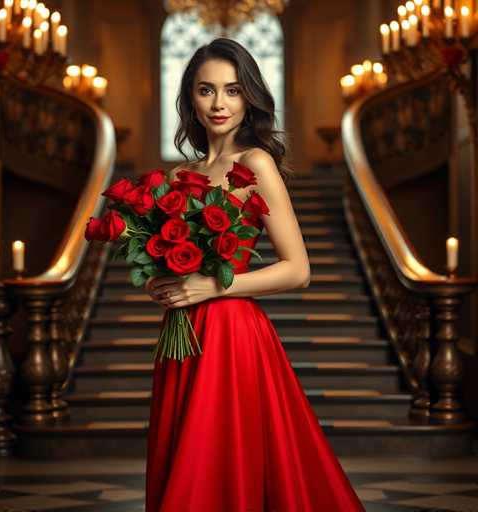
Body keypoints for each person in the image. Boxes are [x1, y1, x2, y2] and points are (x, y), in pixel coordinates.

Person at [144, 37, 365, 511]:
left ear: (250, 97)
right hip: (182, 335)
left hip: (231, 335)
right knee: (188, 455)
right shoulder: (184, 174)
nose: (219, 103)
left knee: (225, 459)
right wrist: (161, 283)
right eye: (206, 90)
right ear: (190, 97)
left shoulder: (256, 163)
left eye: (232, 90)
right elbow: (175, 261)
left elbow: (298, 270)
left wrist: (212, 286)